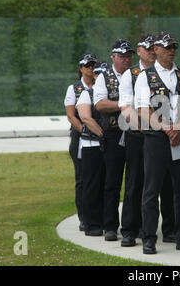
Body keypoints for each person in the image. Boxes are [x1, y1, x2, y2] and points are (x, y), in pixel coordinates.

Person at [134, 32, 180, 254]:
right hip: (156, 138)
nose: (171, 50)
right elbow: (143, 110)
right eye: (167, 47)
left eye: (174, 46)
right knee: (151, 190)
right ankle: (149, 238)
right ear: (156, 49)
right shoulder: (146, 76)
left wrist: (179, 127)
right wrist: (166, 128)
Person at [118, 34, 175, 247]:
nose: (152, 50)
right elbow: (126, 107)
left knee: (167, 183)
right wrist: (145, 127)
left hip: (163, 134)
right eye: (147, 47)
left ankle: (170, 228)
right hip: (138, 133)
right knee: (136, 182)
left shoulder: (171, 72)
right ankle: (130, 230)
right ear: (139, 51)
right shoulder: (131, 74)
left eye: (154, 47)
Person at [94, 40, 133, 241]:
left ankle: (133, 226)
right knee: (112, 182)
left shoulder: (138, 75)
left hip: (135, 133)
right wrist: (124, 104)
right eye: (122, 56)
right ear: (113, 57)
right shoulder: (104, 77)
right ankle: (110, 226)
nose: (127, 59)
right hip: (114, 133)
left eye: (129, 56)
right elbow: (100, 104)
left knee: (135, 182)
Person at [64, 53, 99, 231]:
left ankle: (97, 215)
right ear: (81, 68)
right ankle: (84, 217)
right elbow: (71, 115)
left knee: (97, 178)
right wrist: (85, 130)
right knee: (82, 179)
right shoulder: (74, 88)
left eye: (93, 65)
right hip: (81, 136)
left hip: (98, 138)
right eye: (87, 65)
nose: (90, 68)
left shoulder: (101, 86)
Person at [74, 53, 106, 237]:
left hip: (104, 144)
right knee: (91, 185)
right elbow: (85, 117)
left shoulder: (108, 94)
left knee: (105, 184)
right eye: (98, 74)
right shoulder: (86, 93)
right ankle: (90, 223)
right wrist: (103, 134)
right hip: (90, 143)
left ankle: (102, 220)